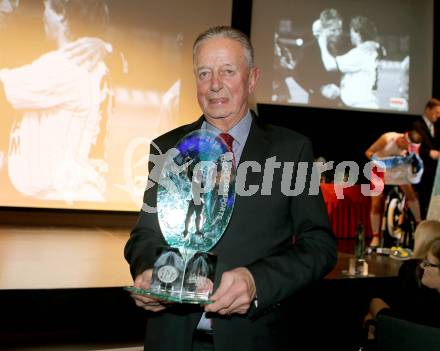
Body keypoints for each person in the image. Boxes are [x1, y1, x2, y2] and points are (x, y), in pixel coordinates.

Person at [124, 26, 337, 351]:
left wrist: (257, 281)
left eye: (227, 71)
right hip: (171, 339)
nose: (214, 85)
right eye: (204, 73)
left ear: (252, 79)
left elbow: (319, 245)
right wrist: (149, 270)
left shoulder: (291, 150)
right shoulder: (167, 147)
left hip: (252, 338)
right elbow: (145, 235)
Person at [0, 0, 112, 202]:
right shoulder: (97, 63)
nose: (43, 15)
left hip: (61, 198)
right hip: (73, 193)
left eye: (47, 7)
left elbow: (5, 87)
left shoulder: (64, 66)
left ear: (61, 13)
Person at [363, 234, 440, 348]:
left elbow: (408, 328)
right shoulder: (429, 295)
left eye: (428, 263)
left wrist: (379, 313)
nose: (422, 266)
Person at [365, 130, 423, 248]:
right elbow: (368, 152)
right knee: (376, 201)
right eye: (408, 147)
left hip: (396, 167)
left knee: (409, 191)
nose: (409, 150)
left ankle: (419, 224)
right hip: (379, 166)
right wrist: (377, 160)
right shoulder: (387, 138)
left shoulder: (412, 147)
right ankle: (376, 236)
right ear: (403, 139)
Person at [319, 16, 381, 109]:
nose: (350, 34)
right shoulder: (374, 48)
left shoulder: (361, 52)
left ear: (358, 33)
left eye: (351, 31)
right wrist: (342, 91)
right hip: (368, 103)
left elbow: (330, 65)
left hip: (361, 105)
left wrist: (322, 44)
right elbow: (361, 78)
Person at [293, 8, 350, 106]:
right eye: (333, 30)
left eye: (340, 29)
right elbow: (297, 73)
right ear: (323, 29)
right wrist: (320, 88)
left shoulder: (346, 47)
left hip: (344, 104)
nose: (338, 33)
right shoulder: (309, 49)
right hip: (319, 103)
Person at [412, 98, 440, 219]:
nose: (438, 115)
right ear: (428, 110)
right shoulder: (417, 126)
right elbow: (413, 148)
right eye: (436, 112)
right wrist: (428, 152)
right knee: (423, 201)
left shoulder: (437, 127)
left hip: (435, 171)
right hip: (423, 170)